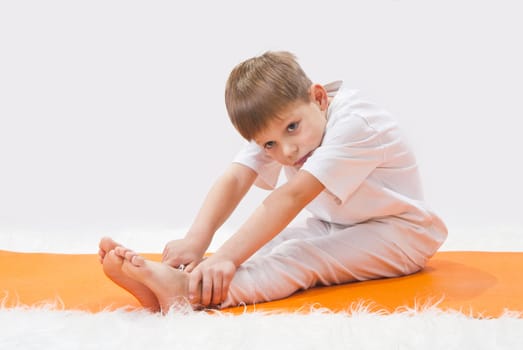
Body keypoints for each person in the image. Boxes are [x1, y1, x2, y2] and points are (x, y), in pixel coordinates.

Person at [98, 51, 448, 313]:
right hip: (336, 223)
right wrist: (196, 241)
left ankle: (187, 291)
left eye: (292, 129)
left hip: (402, 234)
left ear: (319, 97)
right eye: (269, 145)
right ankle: (175, 289)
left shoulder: (357, 123)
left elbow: (291, 196)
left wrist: (225, 256)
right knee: (270, 247)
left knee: (302, 256)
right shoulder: (283, 123)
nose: (288, 150)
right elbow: (237, 177)